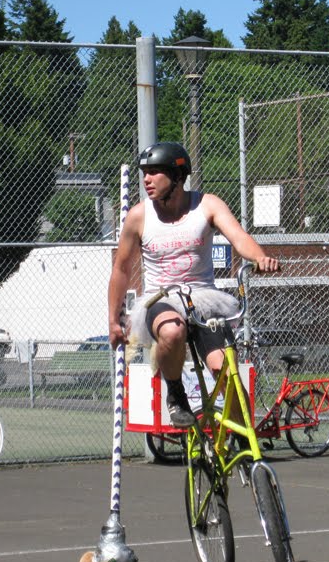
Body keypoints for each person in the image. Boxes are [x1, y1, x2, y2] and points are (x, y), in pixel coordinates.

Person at [107, 142, 279, 429]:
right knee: (173, 330)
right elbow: (121, 270)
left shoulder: (206, 204)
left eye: (154, 172)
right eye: (144, 173)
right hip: (160, 300)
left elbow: (238, 237)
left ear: (177, 176)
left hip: (204, 298)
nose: (146, 179)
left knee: (226, 372)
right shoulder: (139, 216)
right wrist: (113, 320)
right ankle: (176, 395)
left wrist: (260, 257)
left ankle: (244, 446)